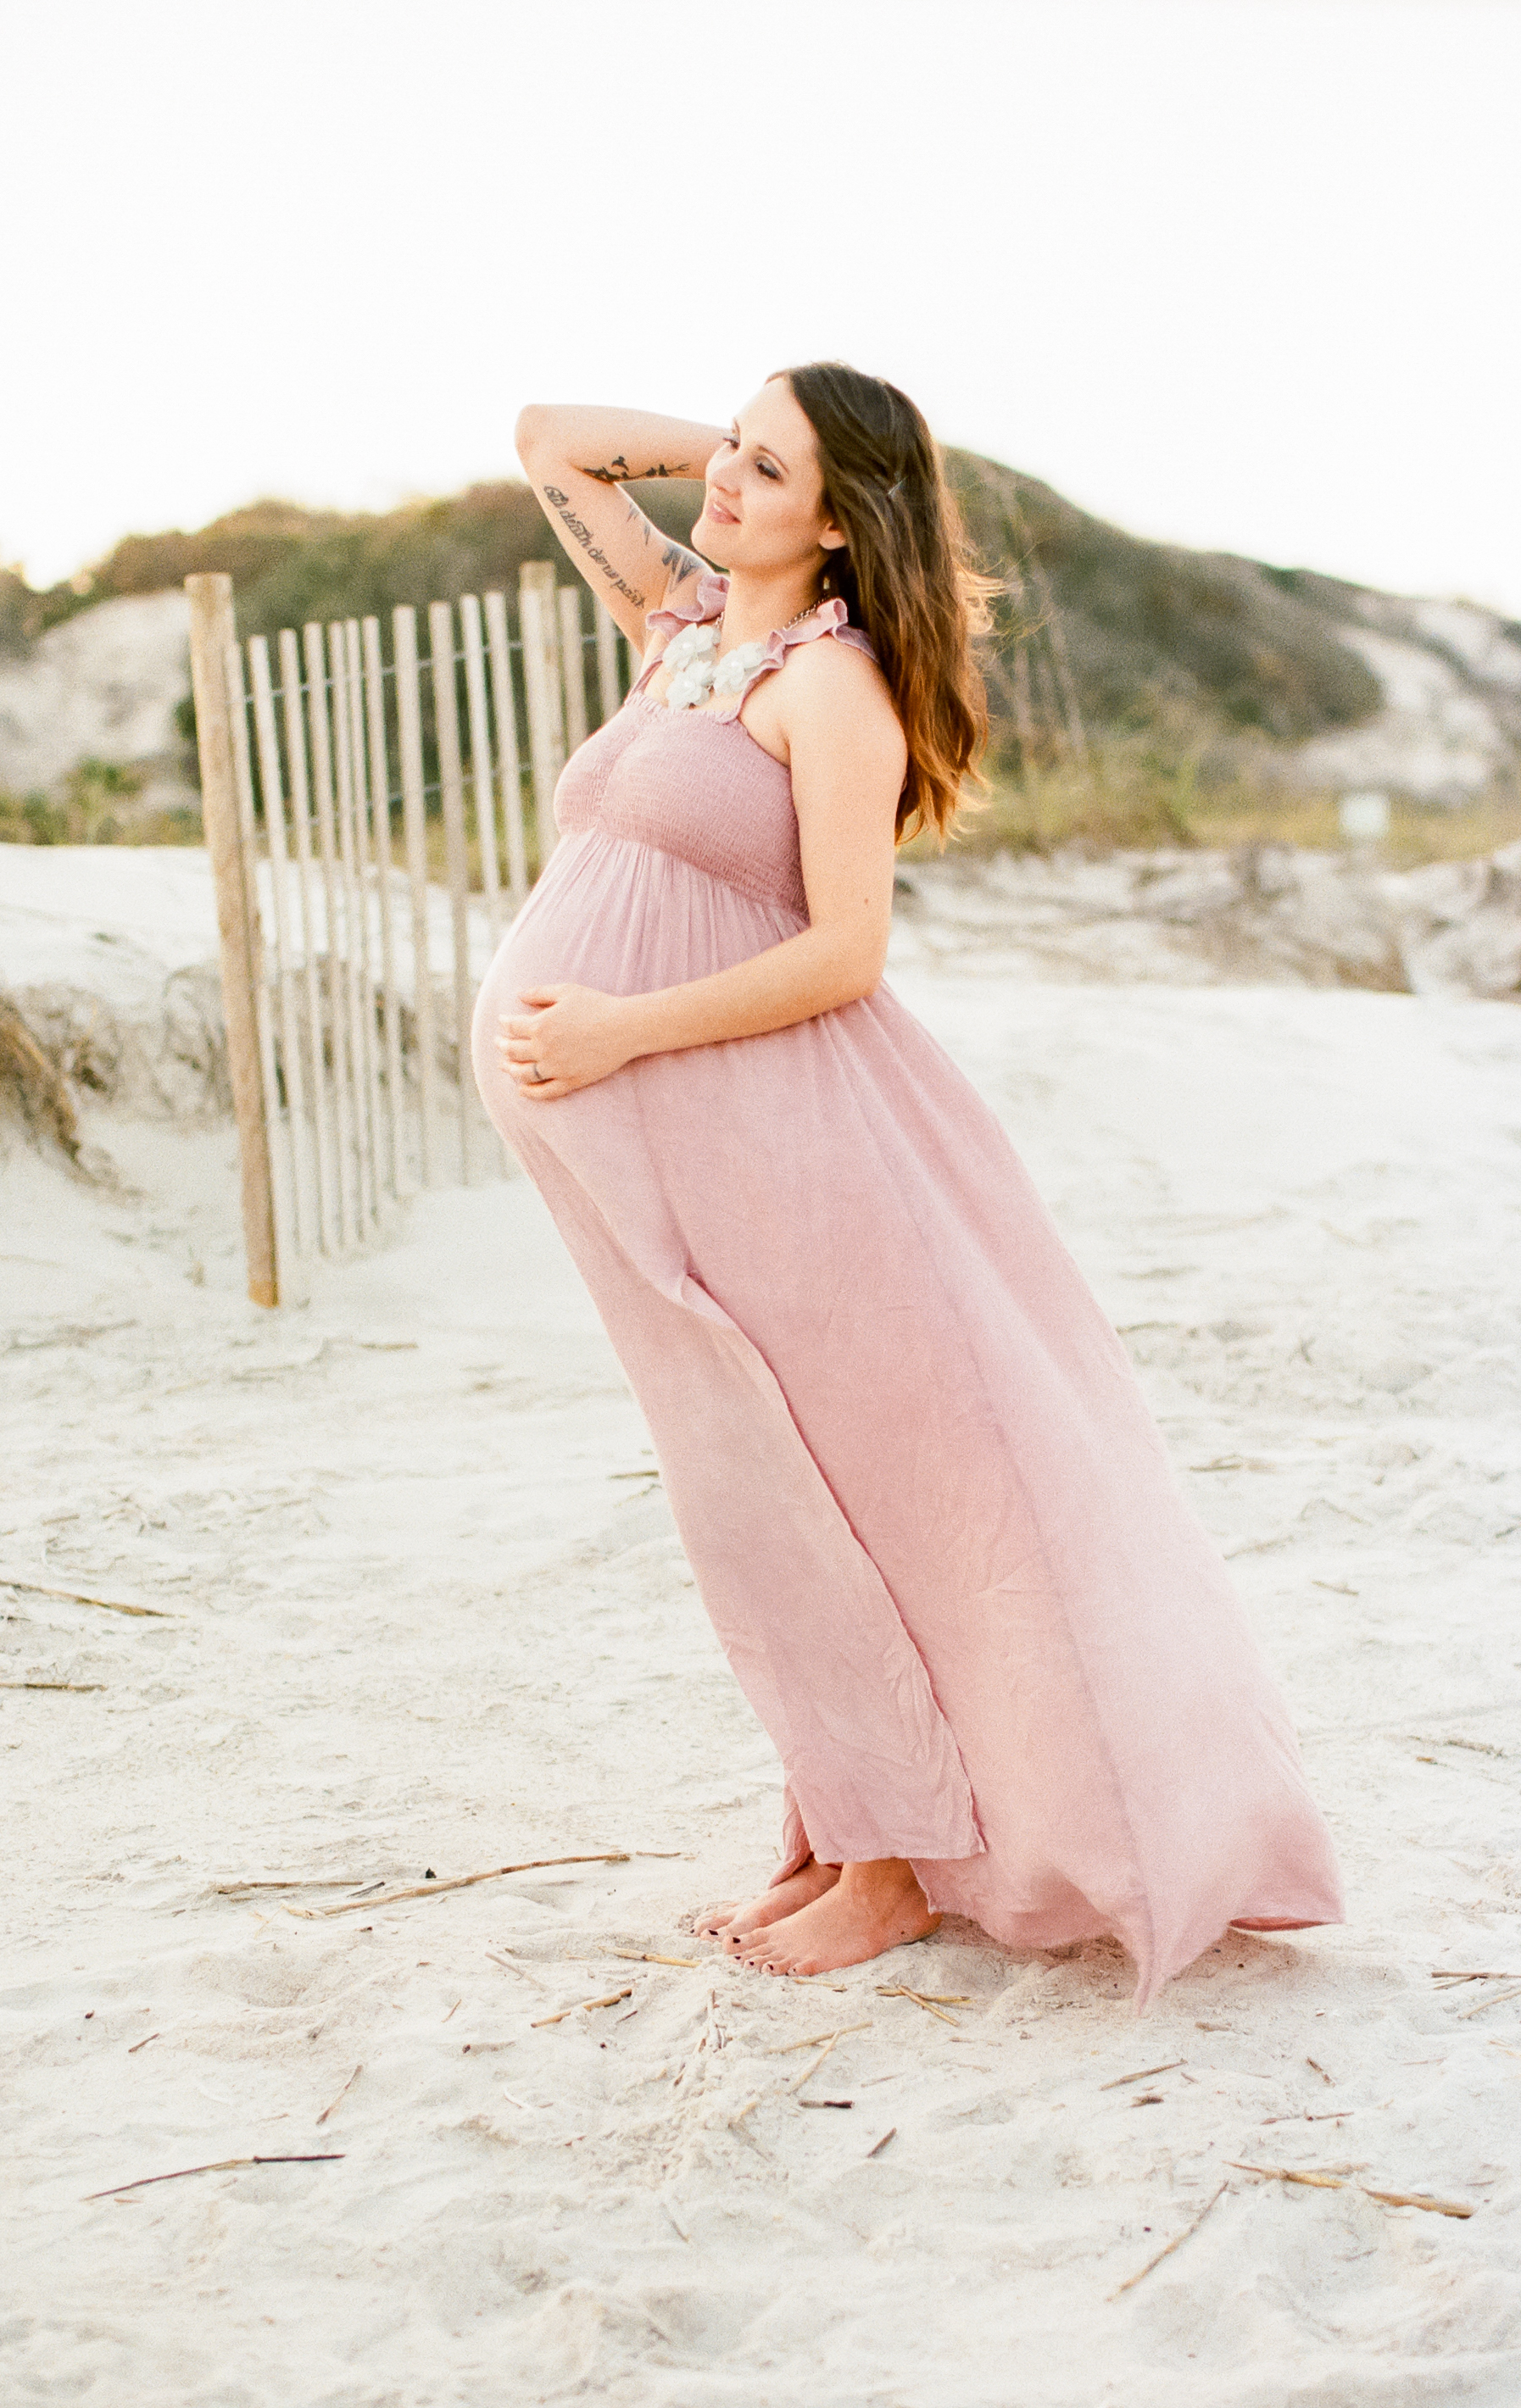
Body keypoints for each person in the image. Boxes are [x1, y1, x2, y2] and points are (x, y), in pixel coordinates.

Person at [471, 364, 1342, 2005]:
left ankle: (886, 1866)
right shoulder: (685, 633)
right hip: (655, 1144)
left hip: (773, 1136)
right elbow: (547, 442)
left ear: (844, 520)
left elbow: (848, 949)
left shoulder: (829, 691)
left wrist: (614, 1030)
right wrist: (744, 436)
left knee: (812, 1485)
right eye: (729, 448)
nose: (722, 480)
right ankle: (850, 1824)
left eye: (767, 468)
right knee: (744, 1482)